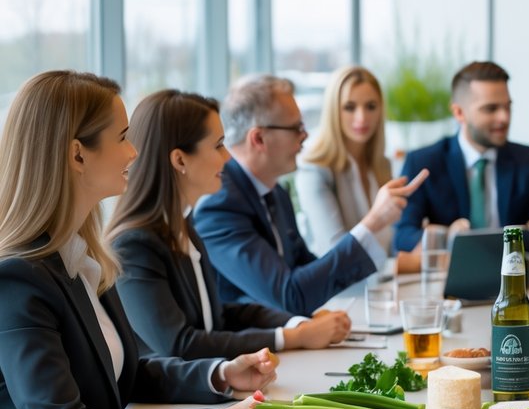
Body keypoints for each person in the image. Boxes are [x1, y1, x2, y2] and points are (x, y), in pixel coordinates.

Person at [0, 71, 276, 409]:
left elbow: (122, 372)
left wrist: (219, 374)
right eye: (123, 137)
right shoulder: (17, 281)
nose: (134, 152)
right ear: (77, 154)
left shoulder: (83, 257)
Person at [108, 90, 352, 360]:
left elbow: (219, 314)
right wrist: (292, 337)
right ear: (180, 160)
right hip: (166, 401)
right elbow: (180, 344)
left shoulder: (183, 226)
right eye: (218, 145)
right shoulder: (134, 245)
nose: (228, 158)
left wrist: (297, 323)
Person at [193, 75, 427, 313]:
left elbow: (309, 273)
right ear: (259, 138)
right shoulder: (219, 204)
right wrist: (373, 222)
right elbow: (290, 296)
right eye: (296, 128)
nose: (305, 135)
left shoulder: (275, 192)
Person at [392, 61, 529, 254]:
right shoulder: (424, 162)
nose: (504, 117)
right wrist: (448, 237)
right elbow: (402, 237)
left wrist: (498, 242)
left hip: (513, 276)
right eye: (491, 109)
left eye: (507, 107)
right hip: (450, 277)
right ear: (459, 112)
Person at [296, 66, 419, 272]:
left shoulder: (382, 166)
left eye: (371, 106)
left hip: (380, 291)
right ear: (334, 111)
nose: (362, 118)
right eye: (350, 107)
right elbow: (334, 254)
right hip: (338, 297)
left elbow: (386, 244)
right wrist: (407, 264)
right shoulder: (314, 170)